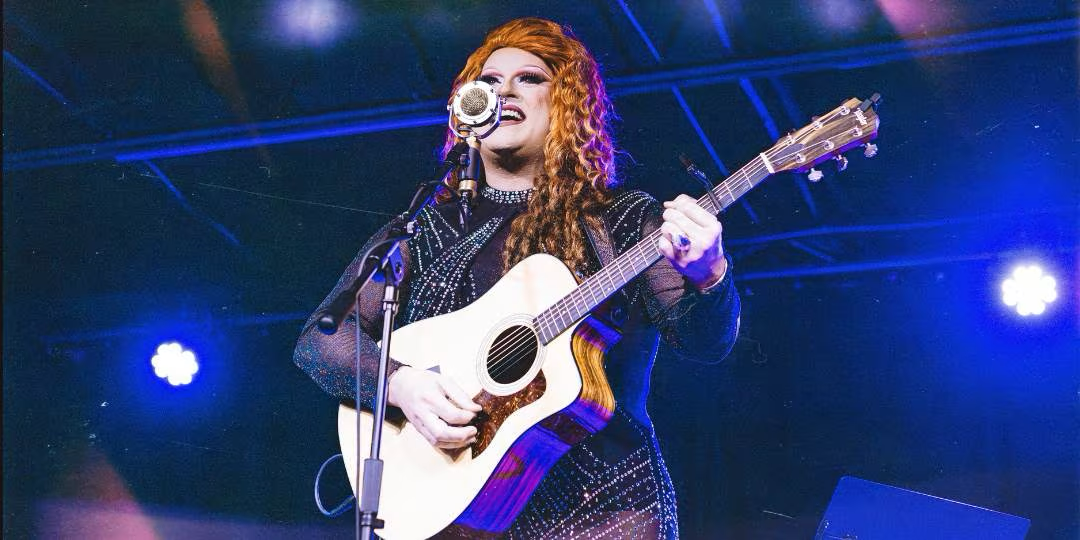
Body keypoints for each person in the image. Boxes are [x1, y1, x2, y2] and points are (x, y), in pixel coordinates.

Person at [294, 17, 740, 539]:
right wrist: (400, 383)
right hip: (455, 506)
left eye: (529, 78)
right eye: (488, 81)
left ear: (567, 104)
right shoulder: (425, 229)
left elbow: (705, 343)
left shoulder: (622, 219)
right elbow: (320, 340)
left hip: (604, 506)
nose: (503, 91)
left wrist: (711, 276)